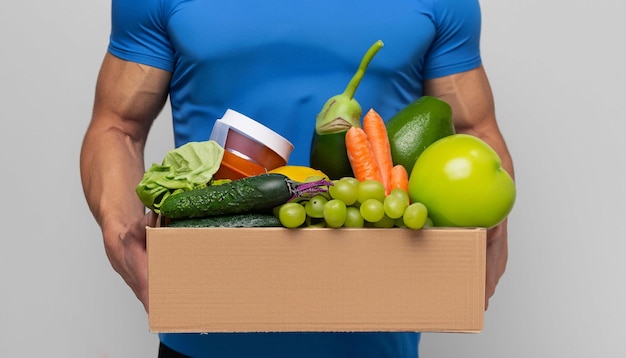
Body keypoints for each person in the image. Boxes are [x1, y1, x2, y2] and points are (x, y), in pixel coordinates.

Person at [80, 0, 514, 357]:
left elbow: (474, 129)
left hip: (378, 333)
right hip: (204, 333)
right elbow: (117, 126)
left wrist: (493, 235)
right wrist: (122, 233)